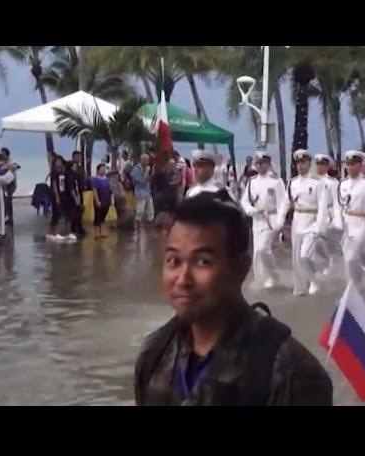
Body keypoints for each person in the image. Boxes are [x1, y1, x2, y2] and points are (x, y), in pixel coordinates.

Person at [134, 192, 333, 406]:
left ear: (241, 268)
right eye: (173, 260)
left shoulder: (290, 372)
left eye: (203, 262)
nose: (183, 279)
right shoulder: (156, 354)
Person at [276, 150, 328, 296]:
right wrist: (280, 220)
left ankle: (314, 279)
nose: (300, 166)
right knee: (297, 258)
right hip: (297, 220)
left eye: (303, 162)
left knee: (305, 255)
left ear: (309, 163)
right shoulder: (292, 182)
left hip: (312, 222)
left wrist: (319, 226)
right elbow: (285, 203)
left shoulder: (317, 183)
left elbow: (322, 207)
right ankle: (300, 288)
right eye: (298, 163)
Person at [332, 150, 365, 287]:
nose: (350, 167)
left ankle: (357, 285)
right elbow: (339, 205)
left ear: (360, 166)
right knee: (348, 258)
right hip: (347, 224)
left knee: (352, 258)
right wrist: (338, 221)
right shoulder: (343, 184)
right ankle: (352, 285)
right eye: (348, 164)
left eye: (354, 164)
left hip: (362, 223)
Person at [240, 151, 286, 289]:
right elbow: (245, 201)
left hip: (271, 219)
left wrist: (280, 221)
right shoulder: (252, 182)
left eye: (263, 163)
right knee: (257, 253)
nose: (261, 166)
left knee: (262, 249)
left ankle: (273, 276)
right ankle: (261, 279)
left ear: (268, 164)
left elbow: (282, 203)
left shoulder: (276, 181)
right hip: (257, 219)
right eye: (258, 163)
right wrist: (251, 211)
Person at [313, 154, 339, 276]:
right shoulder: (312, 181)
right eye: (318, 164)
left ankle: (332, 267)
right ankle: (320, 266)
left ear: (328, 166)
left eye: (323, 164)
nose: (320, 167)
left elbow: (336, 201)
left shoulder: (333, 183)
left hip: (328, 214)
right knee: (315, 243)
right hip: (314, 214)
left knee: (330, 245)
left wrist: (336, 218)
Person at [130, 153, 155, 230]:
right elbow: (142, 181)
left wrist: (152, 172)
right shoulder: (136, 169)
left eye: (148, 160)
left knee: (150, 212)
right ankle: (138, 231)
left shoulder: (148, 168)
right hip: (140, 193)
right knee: (140, 212)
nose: (147, 161)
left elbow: (149, 180)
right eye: (145, 160)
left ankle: (150, 230)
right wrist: (147, 172)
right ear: (141, 160)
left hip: (148, 192)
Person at [91, 163, 112, 239]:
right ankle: (96, 232)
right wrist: (97, 200)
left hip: (106, 200)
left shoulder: (106, 179)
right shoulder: (95, 179)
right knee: (98, 215)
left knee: (103, 216)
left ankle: (102, 231)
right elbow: (94, 190)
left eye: (104, 169)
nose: (103, 170)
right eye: (102, 169)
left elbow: (109, 190)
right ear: (98, 170)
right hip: (99, 199)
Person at [0, 147, 17, 225]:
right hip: (4, 184)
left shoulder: (10, 162)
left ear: (7, 155)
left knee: (8, 201)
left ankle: (10, 219)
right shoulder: (1, 162)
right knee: (4, 202)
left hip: (11, 185)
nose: (1, 155)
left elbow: (15, 166)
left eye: (3, 154)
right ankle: (6, 217)